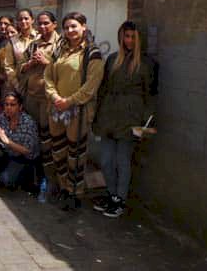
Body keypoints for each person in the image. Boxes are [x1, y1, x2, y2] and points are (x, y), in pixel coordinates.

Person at [93, 21, 156, 218]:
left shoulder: (147, 63)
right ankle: (111, 194)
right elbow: (103, 89)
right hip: (109, 115)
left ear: (139, 39)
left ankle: (119, 199)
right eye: (126, 36)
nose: (128, 41)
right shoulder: (113, 59)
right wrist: (97, 116)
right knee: (105, 160)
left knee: (123, 161)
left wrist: (145, 122)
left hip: (131, 117)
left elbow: (151, 95)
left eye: (132, 37)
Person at [44, 12, 104, 209]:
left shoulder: (92, 53)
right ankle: (63, 187)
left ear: (84, 27)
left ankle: (75, 192)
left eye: (74, 26)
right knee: (59, 151)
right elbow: (48, 77)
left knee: (76, 154)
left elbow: (91, 86)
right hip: (56, 110)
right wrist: (55, 98)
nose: (70, 31)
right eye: (67, 27)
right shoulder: (59, 51)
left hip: (78, 112)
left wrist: (69, 101)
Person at [20, 12, 60, 160]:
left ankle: (47, 172)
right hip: (31, 97)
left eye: (46, 23)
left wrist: (46, 62)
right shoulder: (34, 45)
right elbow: (20, 68)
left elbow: (65, 70)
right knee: (31, 133)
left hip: (48, 99)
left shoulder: (61, 43)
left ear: (54, 24)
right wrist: (31, 63)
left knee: (47, 135)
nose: (42, 26)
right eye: (40, 24)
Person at [0, 92, 40, 190]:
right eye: (6, 104)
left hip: (23, 159)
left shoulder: (28, 122)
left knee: (6, 180)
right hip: (7, 154)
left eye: (12, 105)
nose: (8, 107)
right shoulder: (3, 116)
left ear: (20, 107)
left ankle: (20, 179)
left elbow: (27, 151)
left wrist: (7, 141)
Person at [2, 9, 38, 93]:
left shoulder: (39, 37)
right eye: (20, 19)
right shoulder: (12, 41)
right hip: (19, 85)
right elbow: (8, 66)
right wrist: (17, 85)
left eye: (26, 18)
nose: (23, 21)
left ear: (32, 20)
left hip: (38, 86)